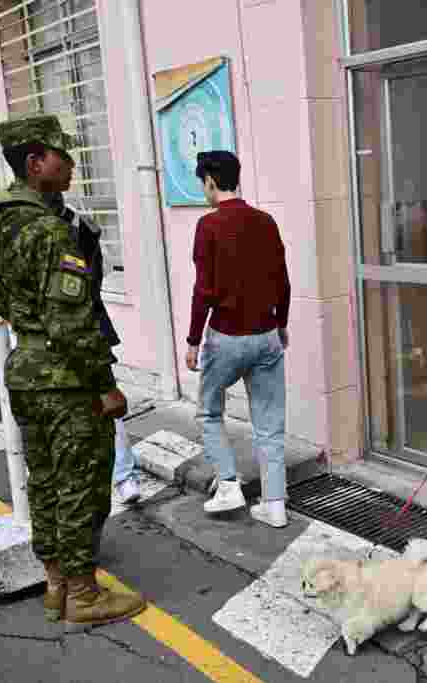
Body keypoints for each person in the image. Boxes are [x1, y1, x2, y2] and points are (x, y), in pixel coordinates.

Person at [0, 113, 146, 628]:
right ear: (35, 162)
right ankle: (85, 597)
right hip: (65, 379)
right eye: (62, 155)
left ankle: (56, 587)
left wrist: (27, 318)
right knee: (82, 485)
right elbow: (72, 322)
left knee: (43, 481)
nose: (71, 163)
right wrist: (105, 386)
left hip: (25, 368)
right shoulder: (49, 230)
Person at [185, 150, 291, 528]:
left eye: (202, 182)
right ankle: (274, 504)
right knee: (269, 424)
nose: (203, 189)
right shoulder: (266, 221)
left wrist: (194, 339)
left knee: (209, 411)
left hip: (226, 337)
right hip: (267, 336)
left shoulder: (208, 226)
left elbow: (204, 290)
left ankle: (228, 485)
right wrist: (282, 323)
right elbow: (282, 279)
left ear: (211, 182)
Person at [47, 192, 141, 505]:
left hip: (73, 330)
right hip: (84, 326)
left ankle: (120, 477)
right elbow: (96, 280)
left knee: (101, 404)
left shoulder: (72, 229)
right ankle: (123, 478)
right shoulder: (82, 225)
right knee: (105, 403)